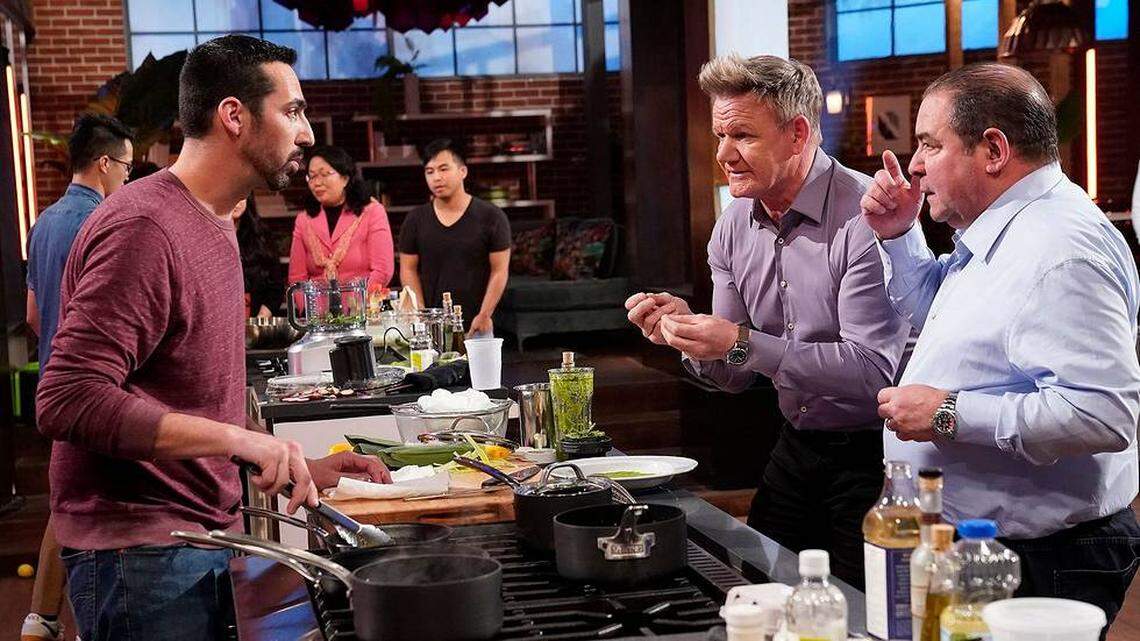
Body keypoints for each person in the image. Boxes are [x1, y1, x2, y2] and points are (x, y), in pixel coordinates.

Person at [35, 35, 391, 641]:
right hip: (140, 561)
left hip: (190, 544)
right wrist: (237, 440)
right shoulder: (145, 227)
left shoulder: (215, 221)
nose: (306, 134)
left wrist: (290, 458)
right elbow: (67, 398)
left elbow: (188, 398)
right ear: (233, 115)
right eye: (293, 111)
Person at [866, 62, 1140, 631]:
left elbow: (1102, 414)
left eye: (929, 145)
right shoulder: (1011, 228)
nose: (914, 166)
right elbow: (949, 319)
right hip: (998, 547)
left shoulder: (1059, 250)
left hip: (1042, 557)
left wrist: (947, 412)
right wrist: (899, 235)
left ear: (992, 149)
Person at [625, 54, 910, 589]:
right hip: (796, 443)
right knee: (761, 594)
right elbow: (733, 374)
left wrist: (739, 341)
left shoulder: (867, 216)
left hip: (879, 454)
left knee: (858, 618)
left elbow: (875, 374)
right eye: (719, 135)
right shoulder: (732, 225)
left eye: (742, 137)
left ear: (798, 133)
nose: (722, 155)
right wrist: (687, 335)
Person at [21, 113, 133, 641]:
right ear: (105, 163)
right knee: (85, 507)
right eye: (128, 169)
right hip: (93, 388)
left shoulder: (42, 222)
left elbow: (34, 317)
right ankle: (81, 623)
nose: (129, 181)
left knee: (64, 497)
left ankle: (40, 618)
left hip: (51, 384)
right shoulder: (105, 221)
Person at [398, 138, 510, 335]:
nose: (436, 178)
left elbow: (499, 271)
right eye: (429, 171)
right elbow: (408, 269)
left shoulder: (491, 216)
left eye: (443, 169)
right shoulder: (415, 219)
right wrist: (420, 315)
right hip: (430, 327)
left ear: (463, 171)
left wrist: (484, 314)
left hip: (478, 324)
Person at [287, 145, 393, 288]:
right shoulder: (303, 220)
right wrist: (309, 308)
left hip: (362, 305)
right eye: (311, 176)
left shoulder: (372, 212)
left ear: (345, 178)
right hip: (315, 307)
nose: (317, 183)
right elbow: (296, 277)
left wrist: (359, 305)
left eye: (324, 174)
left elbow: (382, 270)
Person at [233, 194, 285, 317]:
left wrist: (260, 319)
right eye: (231, 197)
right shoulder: (210, 238)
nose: (237, 203)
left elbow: (276, 285)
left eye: (241, 197)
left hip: (257, 319)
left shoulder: (261, 235)